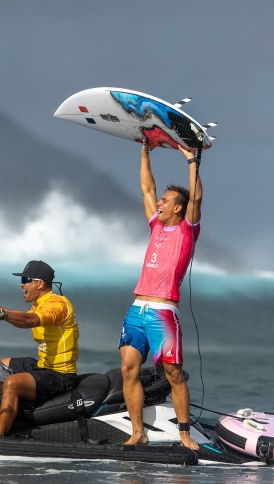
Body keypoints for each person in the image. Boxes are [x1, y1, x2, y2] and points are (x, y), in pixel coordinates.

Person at [118, 143, 202, 450]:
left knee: (173, 373)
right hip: (137, 309)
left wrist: (192, 161)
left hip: (163, 313)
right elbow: (146, 188)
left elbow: (197, 198)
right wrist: (145, 152)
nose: (159, 203)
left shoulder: (187, 231)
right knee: (128, 367)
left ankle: (184, 433)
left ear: (178, 208)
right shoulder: (156, 225)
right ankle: (138, 432)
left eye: (165, 201)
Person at [0, 260, 79, 437]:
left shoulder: (58, 304)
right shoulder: (39, 305)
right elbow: (23, 319)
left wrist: (0, 313)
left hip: (61, 375)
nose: (21, 284)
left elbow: (31, 320)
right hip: (42, 366)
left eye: (25, 280)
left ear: (40, 283)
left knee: (12, 383)